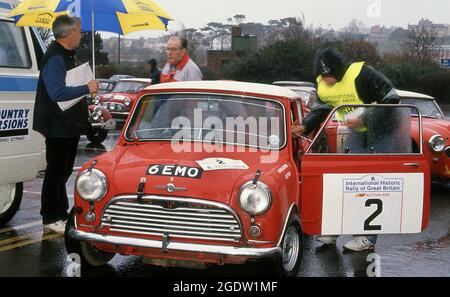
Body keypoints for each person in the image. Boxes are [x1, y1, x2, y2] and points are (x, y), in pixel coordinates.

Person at [292, 47, 398, 251]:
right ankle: (334, 228)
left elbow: (392, 98)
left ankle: (367, 237)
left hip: (381, 132)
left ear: (339, 70)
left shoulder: (362, 74)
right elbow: (323, 108)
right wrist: (306, 126)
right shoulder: (322, 85)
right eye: (323, 75)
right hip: (357, 133)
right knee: (346, 181)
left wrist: (365, 118)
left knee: (370, 185)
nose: (327, 79)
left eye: (330, 74)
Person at [33, 15, 99, 234]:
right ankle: (50, 217)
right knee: (56, 172)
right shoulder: (55, 57)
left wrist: (88, 86)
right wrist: (85, 88)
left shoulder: (68, 55)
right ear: (69, 33)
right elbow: (57, 92)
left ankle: (59, 213)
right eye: (79, 30)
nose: (81, 34)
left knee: (62, 172)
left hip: (68, 124)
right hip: (57, 125)